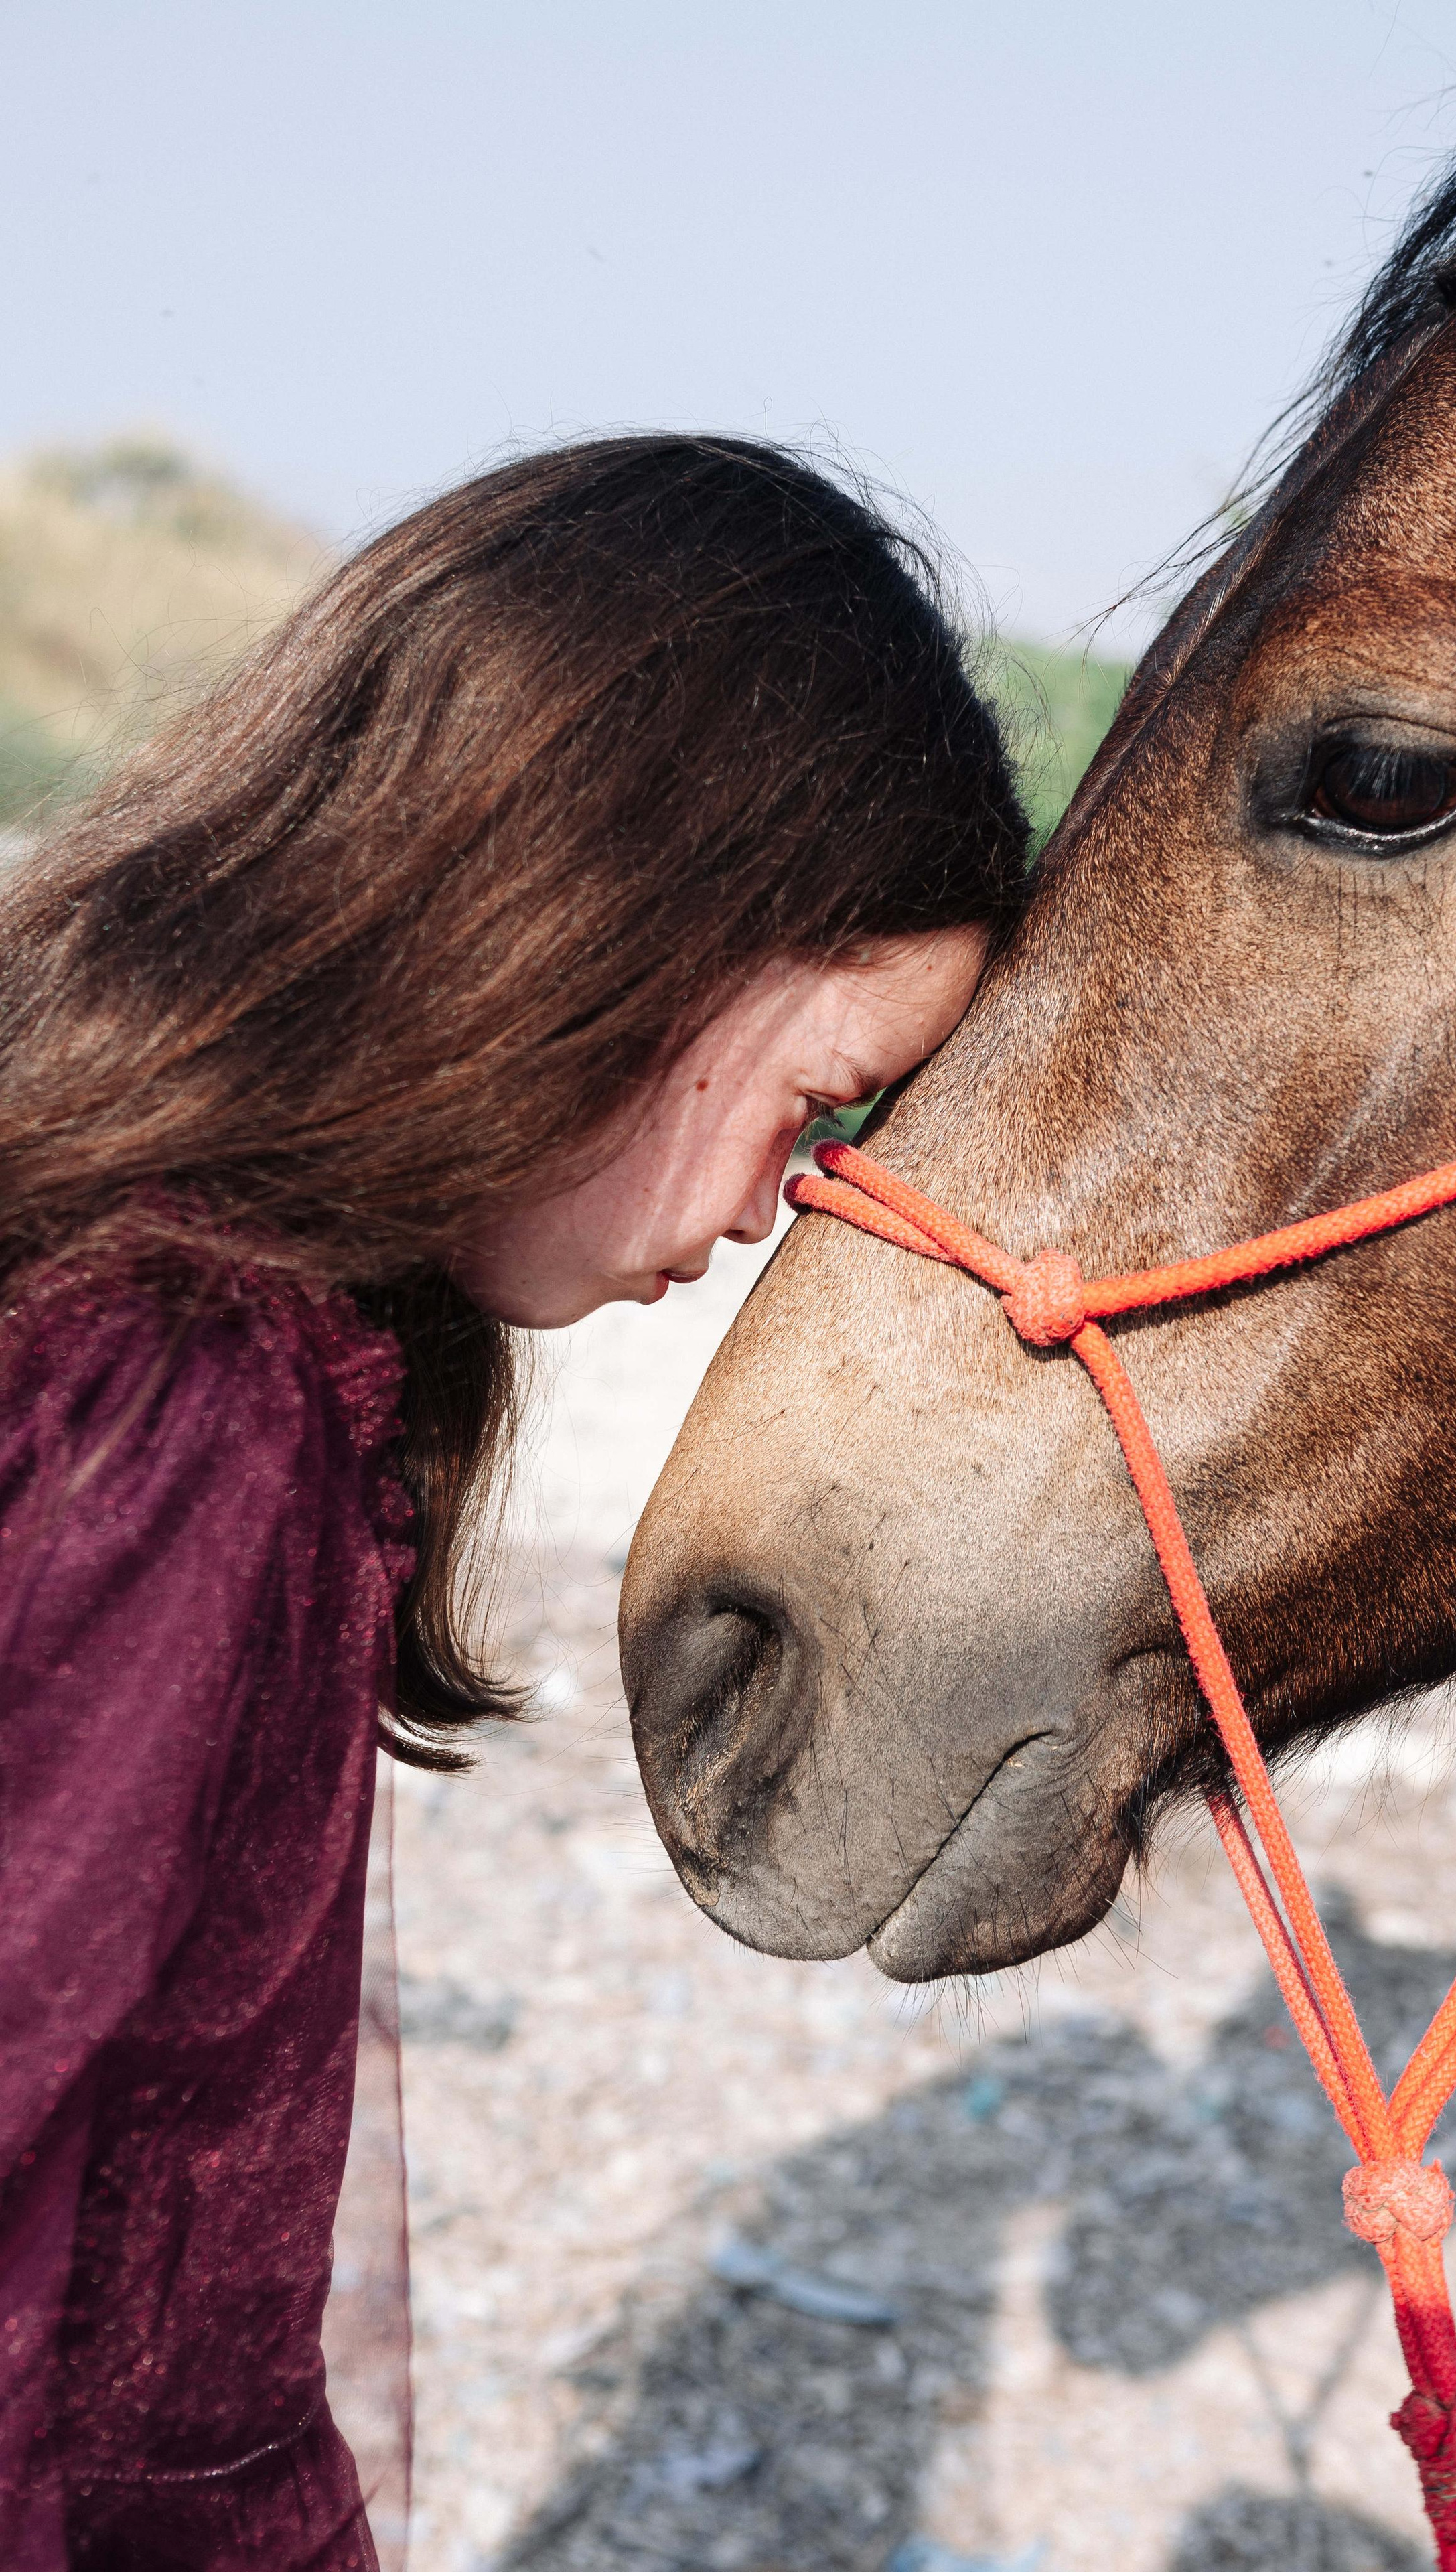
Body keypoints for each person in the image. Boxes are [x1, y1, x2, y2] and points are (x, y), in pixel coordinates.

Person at [0, 434, 1031, 2572]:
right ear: (614, 939)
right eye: (811, 1108)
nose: (774, 1212)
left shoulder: (157, 1302)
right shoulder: (182, 1397)